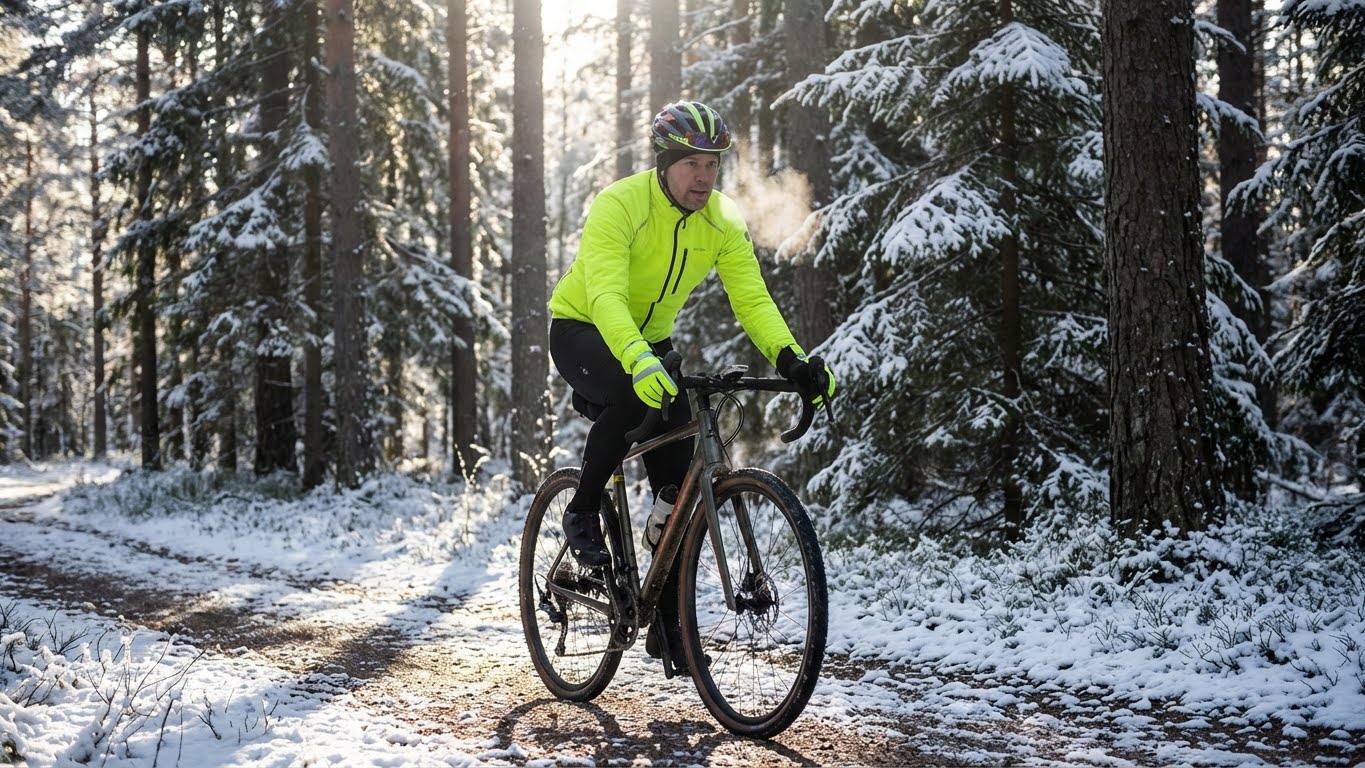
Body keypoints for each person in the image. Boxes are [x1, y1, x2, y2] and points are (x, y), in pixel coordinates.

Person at [546, 100, 836, 674]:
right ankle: (581, 511)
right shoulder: (620, 205)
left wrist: (792, 359)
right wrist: (636, 359)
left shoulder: (722, 220)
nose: (704, 177)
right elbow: (605, 295)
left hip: (649, 342)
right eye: (692, 164)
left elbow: (751, 299)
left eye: (712, 165)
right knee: (633, 393)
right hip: (584, 329)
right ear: (665, 163)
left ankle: (667, 619)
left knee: (678, 487)